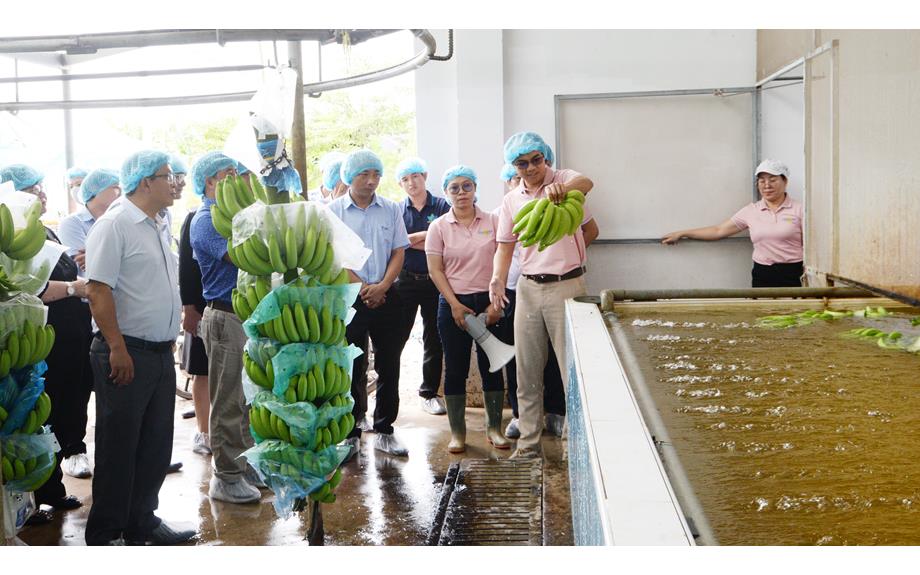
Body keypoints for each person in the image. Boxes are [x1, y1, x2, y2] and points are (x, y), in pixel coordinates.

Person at [84, 150, 194, 545]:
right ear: (145, 181)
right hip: (125, 352)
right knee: (119, 447)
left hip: (159, 351)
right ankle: (106, 532)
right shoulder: (115, 225)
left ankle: (142, 522)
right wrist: (116, 347)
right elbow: (98, 290)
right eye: (169, 176)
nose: (176, 183)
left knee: (154, 445)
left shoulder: (157, 223)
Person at [490, 132, 595, 460]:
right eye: (522, 163)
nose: (532, 167)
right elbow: (505, 246)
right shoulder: (512, 200)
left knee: (571, 371)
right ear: (514, 166)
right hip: (529, 288)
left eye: (537, 159)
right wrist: (496, 279)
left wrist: (561, 192)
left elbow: (586, 182)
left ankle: (573, 447)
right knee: (528, 370)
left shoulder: (563, 180)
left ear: (545, 157)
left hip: (568, 286)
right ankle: (528, 446)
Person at [0, 165, 87, 525]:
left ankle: (49, 488)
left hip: (59, 343)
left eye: (42, 188)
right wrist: (72, 288)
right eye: (33, 189)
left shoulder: (42, 231)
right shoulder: (11, 241)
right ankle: (26, 499)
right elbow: (27, 290)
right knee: (27, 421)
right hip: (29, 345)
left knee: (52, 417)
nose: (43, 195)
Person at [189, 151, 263, 504]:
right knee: (227, 400)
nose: (237, 179)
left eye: (238, 172)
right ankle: (226, 475)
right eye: (228, 174)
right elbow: (240, 257)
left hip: (247, 317)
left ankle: (244, 463)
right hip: (224, 316)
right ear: (209, 182)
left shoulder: (238, 215)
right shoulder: (206, 220)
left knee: (247, 397)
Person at [328, 149, 411, 458]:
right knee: (351, 365)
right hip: (350, 296)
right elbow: (333, 256)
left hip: (388, 294)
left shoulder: (390, 209)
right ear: (350, 176)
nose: (372, 180)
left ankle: (385, 429)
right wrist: (363, 287)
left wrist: (382, 286)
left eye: (376, 174)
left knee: (390, 363)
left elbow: (398, 251)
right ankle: (350, 432)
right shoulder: (334, 211)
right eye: (364, 174)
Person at [426, 165, 509, 453]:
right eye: (454, 188)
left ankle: (494, 429)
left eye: (467, 186)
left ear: (475, 189)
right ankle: (458, 433)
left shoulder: (494, 221)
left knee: (491, 367)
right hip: (453, 303)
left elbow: (504, 259)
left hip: (489, 302)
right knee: (456, 368)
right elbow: (436, 271)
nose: (461, 193)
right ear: (446, 193)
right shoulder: (438, 227)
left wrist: (495, 304)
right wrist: (454, 305)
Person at [661, 160, 804, 288]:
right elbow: (718, 230)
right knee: (764, 315)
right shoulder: (751, 211)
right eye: (762, 181)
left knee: (795, 315)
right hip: (763, 273)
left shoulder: (801, 209)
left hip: (793, 272)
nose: (767, 185)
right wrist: (682, 233)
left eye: (773, 180)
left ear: (785, 182)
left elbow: (815, 245)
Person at [394, 157, 450, 416]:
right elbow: (396, 243)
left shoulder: (441, 205)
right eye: (405, 179)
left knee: (434, 337)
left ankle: (429, 393)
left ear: (424, 176)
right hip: (405, 280)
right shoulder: (397, 210)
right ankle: (390, 393)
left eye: (415, 176)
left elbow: (445, 235)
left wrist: (410, 239)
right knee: (396, 337)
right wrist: (427, 236)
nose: (411, 183)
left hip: (434, 280)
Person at [173, 156, 211, 457]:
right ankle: (203, 431)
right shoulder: (196, 217)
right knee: (203, 371)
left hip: (236, 308)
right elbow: (187, 267)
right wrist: (190, 308)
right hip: (202, 305)